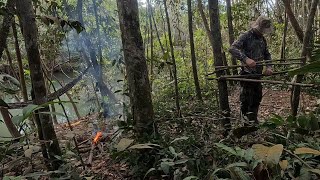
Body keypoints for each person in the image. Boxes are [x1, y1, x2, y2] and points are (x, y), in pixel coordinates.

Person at [229, 16, 274, 125]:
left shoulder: (262, 39)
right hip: (246, 73)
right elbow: (232, 49)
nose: (262, 32)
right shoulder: (246, 36)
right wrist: (246, 59)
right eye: (261, 30)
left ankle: (253, 120)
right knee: (246, 100)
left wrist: (269, 66)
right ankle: (245, 123)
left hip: (257, 74)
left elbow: (267, 54)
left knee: (257, 97)